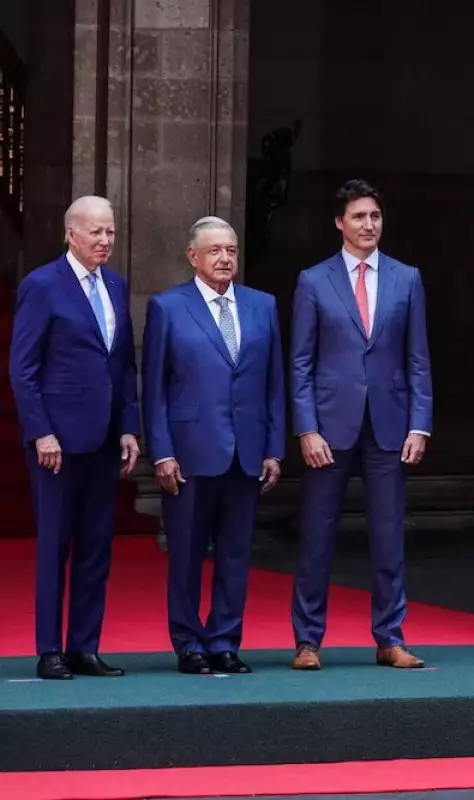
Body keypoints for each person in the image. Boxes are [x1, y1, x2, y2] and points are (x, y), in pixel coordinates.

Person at [290, 179, 433, 670]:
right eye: (359, 217)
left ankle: (390, 637)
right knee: (317, 534)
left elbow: (418, 360)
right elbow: (301, 362)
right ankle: (308, 641)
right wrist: (306, 428)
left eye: (374, 216)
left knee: (389, 534)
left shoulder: (406, 278)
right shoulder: (313, 280)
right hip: (329, 428)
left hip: (390, 425)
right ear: (339, 223)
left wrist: (421, 424)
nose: (368, 225)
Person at [141, 217, 285, 675]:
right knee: (185, 553)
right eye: (215, 251)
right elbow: (156, 388)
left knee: (236, 553)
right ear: (193, 257)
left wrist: (274, 448)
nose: (225, 258)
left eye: (232, 250)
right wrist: (161, 452)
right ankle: (188, 642)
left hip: (246, 451)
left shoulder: (263, 306)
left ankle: (225, 639)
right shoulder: (168, 307)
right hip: (189, 452)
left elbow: (273, 385)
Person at [7, 196, 141, 680]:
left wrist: (129, 426)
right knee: (54, 545)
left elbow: (123, 363)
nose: (105, 241)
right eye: (95, 232)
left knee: (96, 546)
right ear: (70, 233)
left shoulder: (117, 286)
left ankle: (85, 646)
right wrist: (41, 432)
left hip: (105, 438)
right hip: (57, 444)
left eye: (110, 232)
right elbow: (23, 369)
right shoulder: (42, 285)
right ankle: (50, 650)